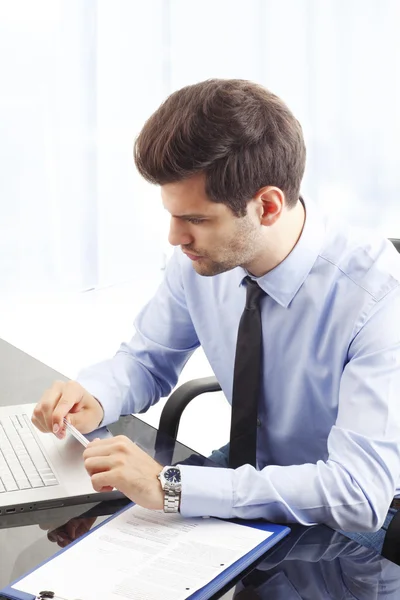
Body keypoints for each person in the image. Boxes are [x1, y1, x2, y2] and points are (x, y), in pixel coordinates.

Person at [32, 78, 400, 554]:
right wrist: (94, 396)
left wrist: (173, 488)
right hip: (249, 470)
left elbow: (356, 493)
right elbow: (146, 361)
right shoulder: (204, 259)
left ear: (266, 206)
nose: (174, 237)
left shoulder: (379, 298)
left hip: (358, 516)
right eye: (173, 214)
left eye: (197, 219)